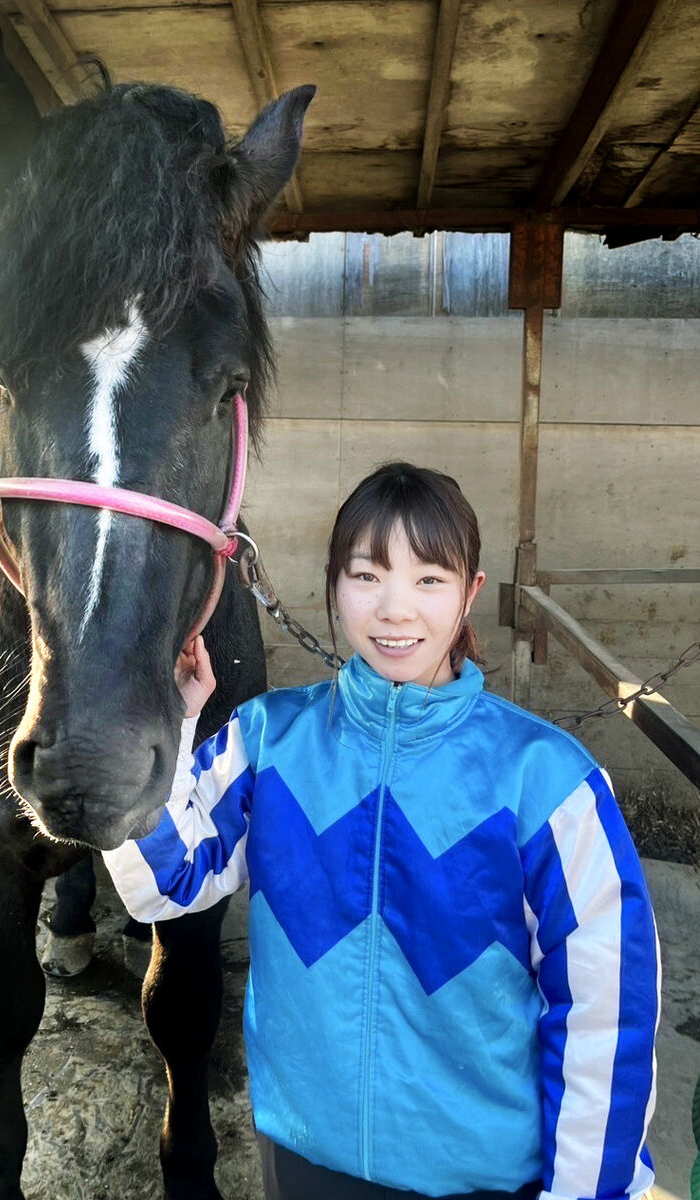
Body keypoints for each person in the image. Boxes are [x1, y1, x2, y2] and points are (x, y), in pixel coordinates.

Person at [104, 462, 659, 1200]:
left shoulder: (546, 780)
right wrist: (162, 721)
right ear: (332, 587)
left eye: (429, 579)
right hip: (304, 1153)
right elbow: (164, 885)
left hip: (484, 1176)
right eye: (366, 576)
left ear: (471, 593)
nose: (395, 610)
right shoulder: (268, 740)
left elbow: (604, 1014)